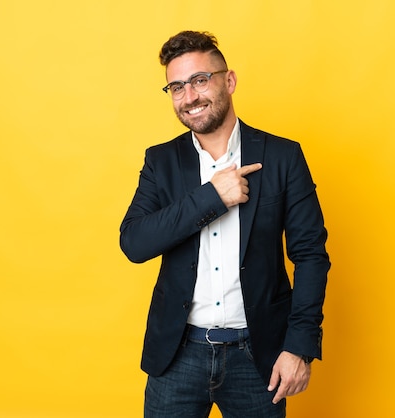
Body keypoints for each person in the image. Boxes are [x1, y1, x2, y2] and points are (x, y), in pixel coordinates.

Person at [120, 30, 330, 418]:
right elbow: (134, 242)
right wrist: (211, 198)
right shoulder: (160, 162)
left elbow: (311, 256)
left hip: (258, 357)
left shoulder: (283, 157)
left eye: (201, 80)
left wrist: (299, 346)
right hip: (177, 356)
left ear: (228, 80)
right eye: (177, 87)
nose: (190, 97)